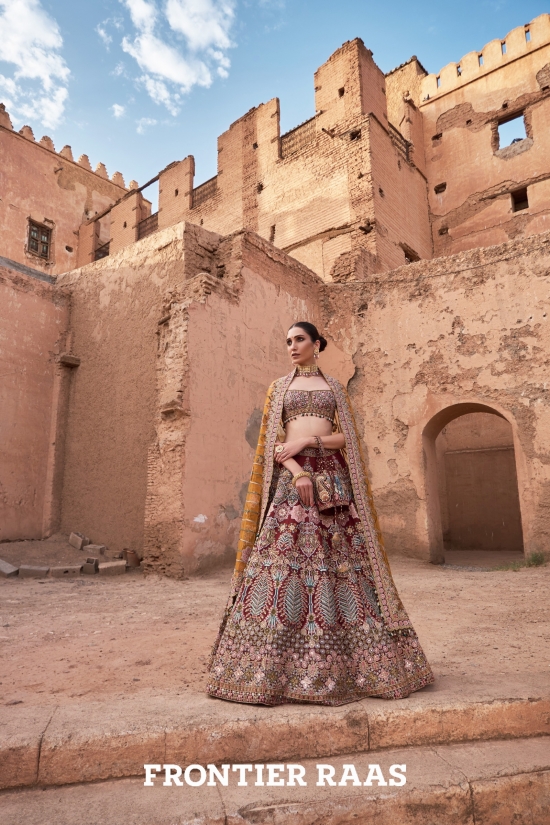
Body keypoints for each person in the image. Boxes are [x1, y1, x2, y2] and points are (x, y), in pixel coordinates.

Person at [206, 322, 434, 706]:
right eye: (288, 342)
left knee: (344, 565)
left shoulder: (335, 390)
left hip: (333, 482)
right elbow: (273, 443)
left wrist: (309, 441)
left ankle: (358, 667)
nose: (292, 347)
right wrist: (298, 472)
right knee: (279, 565)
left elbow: (347, 437)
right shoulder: (278, 389)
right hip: (291, 481)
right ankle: (265, 672)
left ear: (316, 345)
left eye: (299, 340)